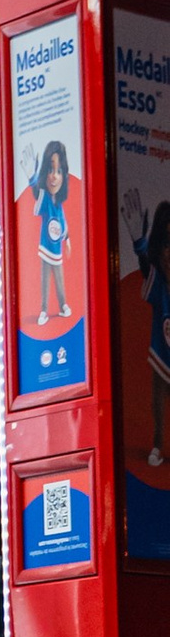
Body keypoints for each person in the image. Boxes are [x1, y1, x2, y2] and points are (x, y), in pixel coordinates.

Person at [128, 193, 170, 467]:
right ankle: (158, 442)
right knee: (159, 391)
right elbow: (147, 270)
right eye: (166, 243)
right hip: (162, 350)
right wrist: (139, 245)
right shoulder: (160, 285)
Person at [35, 138, 72, 327]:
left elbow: (63, 224)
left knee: (59, 277)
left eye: (58, 171)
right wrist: (32, 181)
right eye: (50, 170)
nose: (54, 176)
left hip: (57, 247)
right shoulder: (46, 199)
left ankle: (63, 304)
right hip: (45, 246)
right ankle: (43, 310)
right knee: (45, 279)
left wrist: (67, 240)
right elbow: (37, 207)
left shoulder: (59, 204)